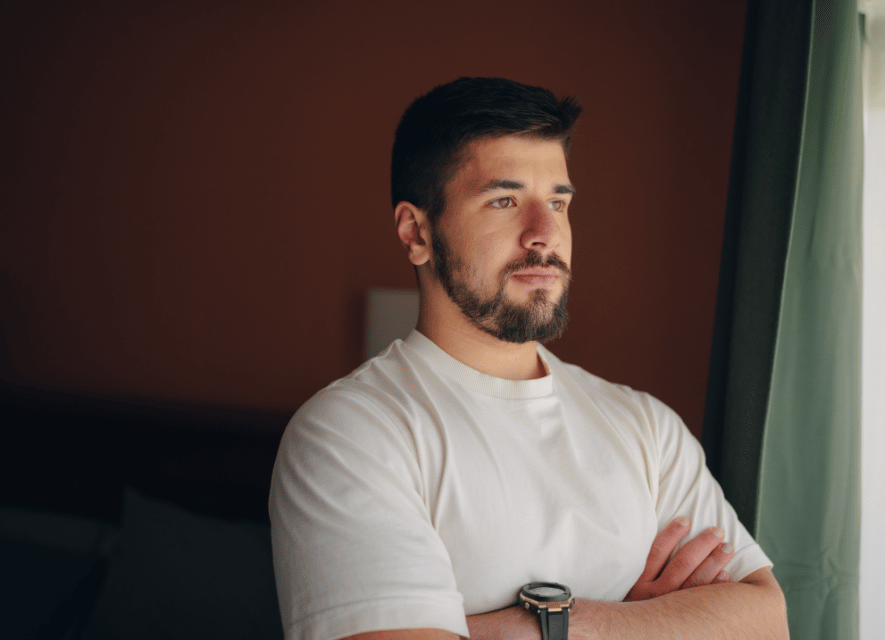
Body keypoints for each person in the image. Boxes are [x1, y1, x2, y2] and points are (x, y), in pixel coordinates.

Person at [269, 77, 789, 640]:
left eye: (559, 202)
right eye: (504, 200)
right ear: (415, 232)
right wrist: (650, 623)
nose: (544, 234)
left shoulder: (647, 429)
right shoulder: (351, 433)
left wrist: (555, 625)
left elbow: (766, 620)